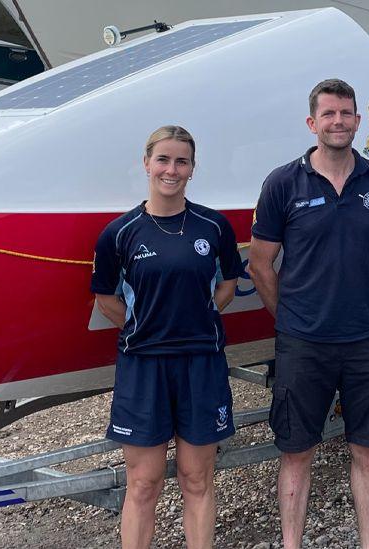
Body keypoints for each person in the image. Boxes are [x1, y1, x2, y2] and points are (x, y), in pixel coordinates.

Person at [248, 78, 369, 549]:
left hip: (367, 339)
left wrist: (357, 308)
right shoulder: (282, 183)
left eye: (346, 113)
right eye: (329, 114)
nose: (339, 122)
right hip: (303, 342)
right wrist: (294, 316)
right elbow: (260, 264)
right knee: (296, 452)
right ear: (313, 122)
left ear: (358, 120)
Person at [91, 125, 243, 549]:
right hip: (144, 365)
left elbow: (228, 284)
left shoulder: (213, 226)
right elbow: (106, 298)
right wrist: (147, 327)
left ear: (193, 169)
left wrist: (198, 317)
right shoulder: (120, 233)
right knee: (144, 483)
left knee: (197, 479)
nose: (171, 169)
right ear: (146, 164)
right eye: (163, 159)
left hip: (201, 363)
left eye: (181, 161)